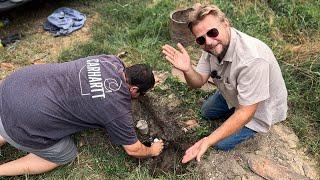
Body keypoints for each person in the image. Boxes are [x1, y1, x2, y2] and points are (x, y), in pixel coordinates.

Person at [162, 4, 287, 163]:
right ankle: (231, 109)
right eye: (201, 39)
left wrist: (208, 140)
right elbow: (198, 81)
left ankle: (249, 125)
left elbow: (246, 112)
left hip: (257, 110)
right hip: (232, 91)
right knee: (206, 112)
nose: (209, 41)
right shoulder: (210, 47)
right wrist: (187, 70)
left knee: (220, 144)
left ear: (226, 24)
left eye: (212, 32)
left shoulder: (252, 60)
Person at [0, 54, 164, 176]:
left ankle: (5, 130)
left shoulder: (110, 60)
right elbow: (134, 150)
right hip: (23, 121)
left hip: (13, 85)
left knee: (14, 115)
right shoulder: (117, 109)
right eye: (141, 94)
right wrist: (152, 151)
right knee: (65, 154)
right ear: (134, 90)